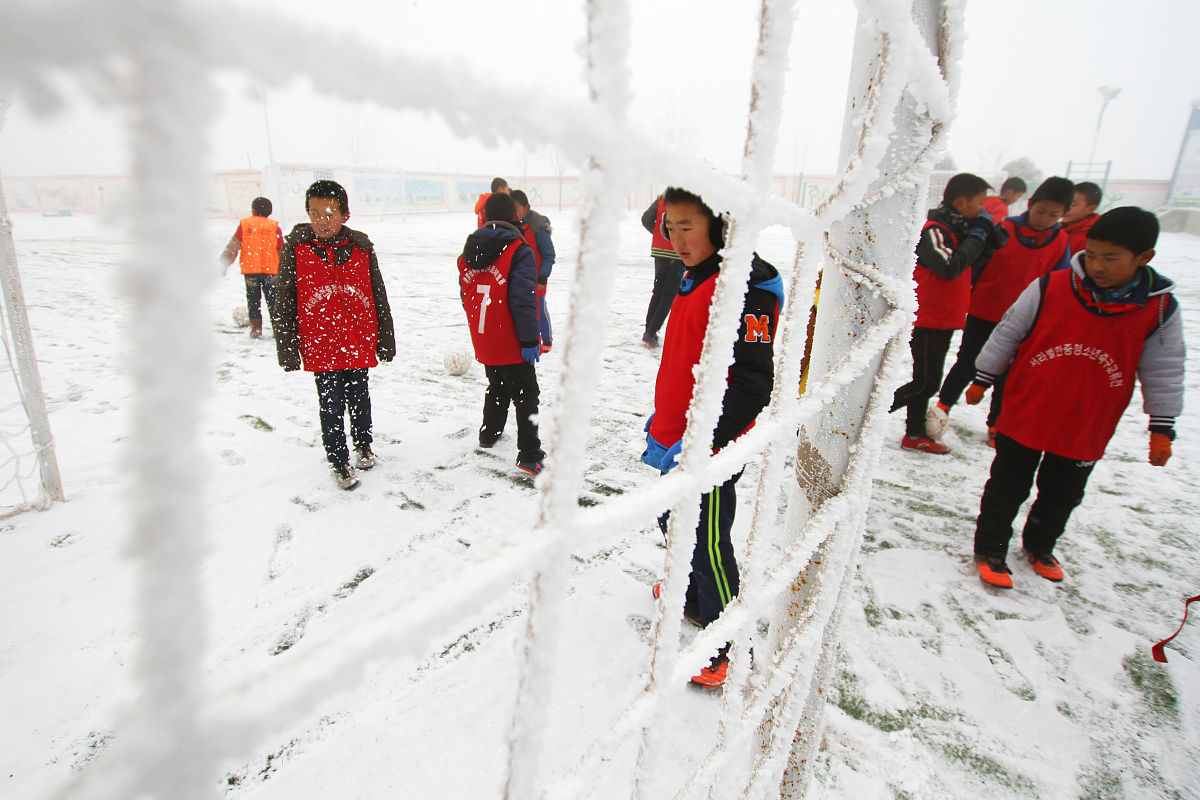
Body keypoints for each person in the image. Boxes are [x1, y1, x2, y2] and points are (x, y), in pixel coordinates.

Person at [964, 207, 1184, 588]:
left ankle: (1040, 544)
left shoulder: (1159, 308)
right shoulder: (1051, 287)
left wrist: (1162, 426)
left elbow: (1164, 369)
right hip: (1027, 410)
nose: (1097, 265)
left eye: (1111, 258)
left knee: (1063, 494)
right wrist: (984, 377)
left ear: (1144, 257)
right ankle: (991, 548)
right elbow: (1008, 333)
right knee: (1007, 485)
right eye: (1093, 254)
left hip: (1087, 421)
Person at [642, 187, 783, 688]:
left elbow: (751, 382)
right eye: (670, 226)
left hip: (711, 445)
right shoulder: (698, 270)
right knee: (669, 515)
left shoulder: (747, 285)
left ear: (722, 226)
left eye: (687, 227)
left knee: (706, 540)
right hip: (675, 432)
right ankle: (697, 600)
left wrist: (706, 444)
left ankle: (724, 642)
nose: (676, 238)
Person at [274, 181, 396, 490]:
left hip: (357, 341)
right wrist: (287, 347)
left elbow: (378, 295)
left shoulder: (362, 249)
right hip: (321, 345)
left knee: (360, 398)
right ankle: (339, 460)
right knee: (329, 405)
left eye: (329, 213)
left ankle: (363, 444)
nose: (322, 221)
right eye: (315, 214)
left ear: (345, 214)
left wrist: (385, 337)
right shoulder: (295, 250)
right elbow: (284, 298)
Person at [934, 176, 1073, 445]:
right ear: (1030, 204)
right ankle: (942, 405)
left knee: (1008, 374)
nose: (1045, 218)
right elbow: (977, 264)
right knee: (968, 361)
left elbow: (1059, 282)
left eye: (1054, 214)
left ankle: (997, 423)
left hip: (1025, 321)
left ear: (1064, 215)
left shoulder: (1060, 241)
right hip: (984, 310)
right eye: (1041, 211)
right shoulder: (1004, 229)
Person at [890, 173, 1004, 454]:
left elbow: (977, 259)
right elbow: (950, 267)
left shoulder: (959, 230)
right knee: (926, 383)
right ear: (962, 202)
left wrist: (987, 237)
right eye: (980, 203)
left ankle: (914, 434)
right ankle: (861, 412)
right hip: (929, 319)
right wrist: (977, 235)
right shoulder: (935, 230)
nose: (983, 210)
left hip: (943, 320)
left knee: (924, 380)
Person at [458, 191, 546, 475]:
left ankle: (489, 432)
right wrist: (530, 339)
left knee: (497, 386)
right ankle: (530, 454)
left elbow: (465, 294)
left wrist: (481, 329)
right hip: (511, 339)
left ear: (484, 217)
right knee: (526, 393)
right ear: (515, 217)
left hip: (486, 337)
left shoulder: (467, 253)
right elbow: (523, 298)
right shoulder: (519, 251)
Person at [220, 196, 283, 338]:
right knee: (274, 301)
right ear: (270, 212)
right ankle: (277, 329)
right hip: (271, 271)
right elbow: (281, 249)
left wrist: (225, 262)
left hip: (251, 270)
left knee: (253, 300)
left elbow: (234, 245)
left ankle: (256, 329)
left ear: (253, 210)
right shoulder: (274, 226)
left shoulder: (245, 224)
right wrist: (286, 267)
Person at [511, 189, 556, 354]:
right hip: (518, 278)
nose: (514, 213)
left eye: (516, 208)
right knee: (520, 308)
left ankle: (546, 338)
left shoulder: (538, 227)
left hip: (536, 277)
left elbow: (549, 254)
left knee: (538, 307)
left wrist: (542, 277)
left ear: (527, 207)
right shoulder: (511, 226)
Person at [640, 193, 684, 347]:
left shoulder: (662, 197)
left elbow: (646, 219)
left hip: (659, 250)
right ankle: (651, 332)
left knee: (658, 291)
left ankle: (649, 329)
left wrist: (660, 234)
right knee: (669, 294)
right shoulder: (690, 199)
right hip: (678, 252)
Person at [1062, 181, 1103, 254]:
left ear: (1091, 209)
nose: (1066, 208)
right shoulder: (1056, 229)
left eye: (1073, 204)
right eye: (1065, 202)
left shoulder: (1090, 238)